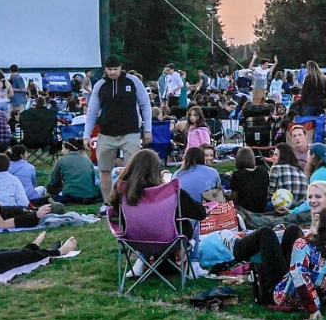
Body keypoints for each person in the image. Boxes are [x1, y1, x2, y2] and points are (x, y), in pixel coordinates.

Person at [110, 148, 207, 279]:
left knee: (148, 225)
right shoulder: (171, 191)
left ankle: (140, 261)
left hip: (134, 239)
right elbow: (200, 213)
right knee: (190, 220)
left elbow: (118, 216)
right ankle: (193, 264)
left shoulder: (121, 191)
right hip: (169, 240)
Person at [83, 55, 152, 208]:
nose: (113, 72)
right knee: (104, 169)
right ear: (105, 70)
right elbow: (92, 111)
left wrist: (147, 129)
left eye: (115, 69)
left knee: (133, 169)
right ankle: (107, 203)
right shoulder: (100, 85)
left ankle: (130, 200)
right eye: (109, 69)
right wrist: (87, 135)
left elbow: (145, 105)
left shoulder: (133, 82)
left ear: (121, 68)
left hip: (131, 132)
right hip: (106, 134)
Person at [47, 137, 100, 204]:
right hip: (90, 193)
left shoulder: (61, 160)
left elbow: (52, 181)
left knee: (49, 188)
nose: (61, 151)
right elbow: (94, 179)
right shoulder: (87, 160)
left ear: (68, 149)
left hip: (71, 193)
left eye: (63, 148)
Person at [266, 143, 309, 210]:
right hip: (299, 208)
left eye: (275, 155)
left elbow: (270, 194)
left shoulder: (276, 168)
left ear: (283, 156)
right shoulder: (301, 170)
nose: (273, 157)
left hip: (283, 206)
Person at [229, 146, 270, 213]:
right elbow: (266, 191)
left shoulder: (237, 175)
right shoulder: (263, 171)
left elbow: (234, 198)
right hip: (262, 208)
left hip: (244, 210)